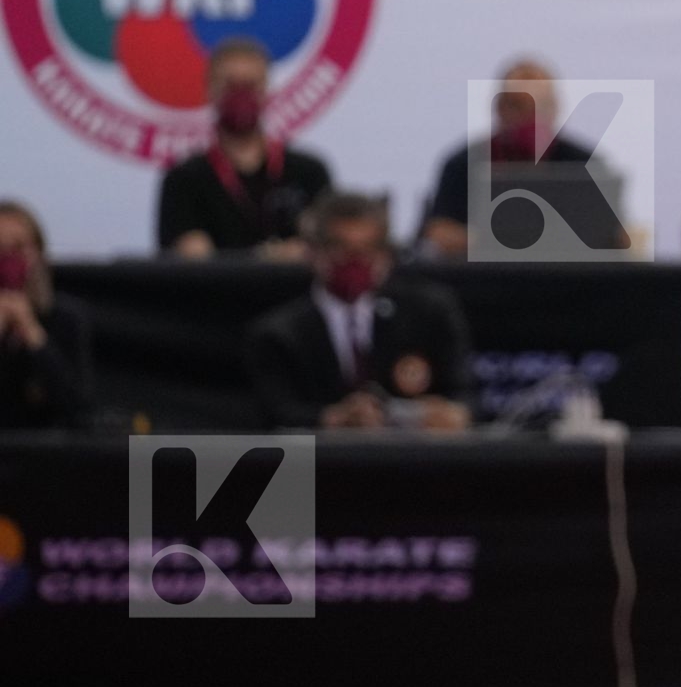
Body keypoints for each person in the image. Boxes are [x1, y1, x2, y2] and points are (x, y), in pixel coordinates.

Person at [247, 192, 471, 431]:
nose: (355, 262)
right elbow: (272, 414)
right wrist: (329, 419)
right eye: (341, 248)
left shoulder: (429, 313)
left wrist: (447, 414)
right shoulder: (278, 333)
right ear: (313, 252)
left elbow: (466, 396)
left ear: (386, 256)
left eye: (368, 249)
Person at [419, 58, 626, 259]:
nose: (531, 116)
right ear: (499, 108)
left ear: (555, 108)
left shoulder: (585, 164)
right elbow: (439, 232)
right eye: (519, 105)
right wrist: (497, 242)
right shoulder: (463, 163)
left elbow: (616, 235)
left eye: (541, 106)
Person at [158, 37, 333, 259]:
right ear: (210, 89)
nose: (241, 95)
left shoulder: (309, 172)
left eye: (250, 85)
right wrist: (269, 256)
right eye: (230, 85)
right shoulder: (185, 179)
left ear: (267, 90)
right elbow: (193, 260)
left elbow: (327, 252)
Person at [0, 202, 94, 431]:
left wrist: (35, 337)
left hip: (47, 456)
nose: (8, 260)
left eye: (18, 247)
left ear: (38, 253)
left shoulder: (66, 317)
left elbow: (79, 410)